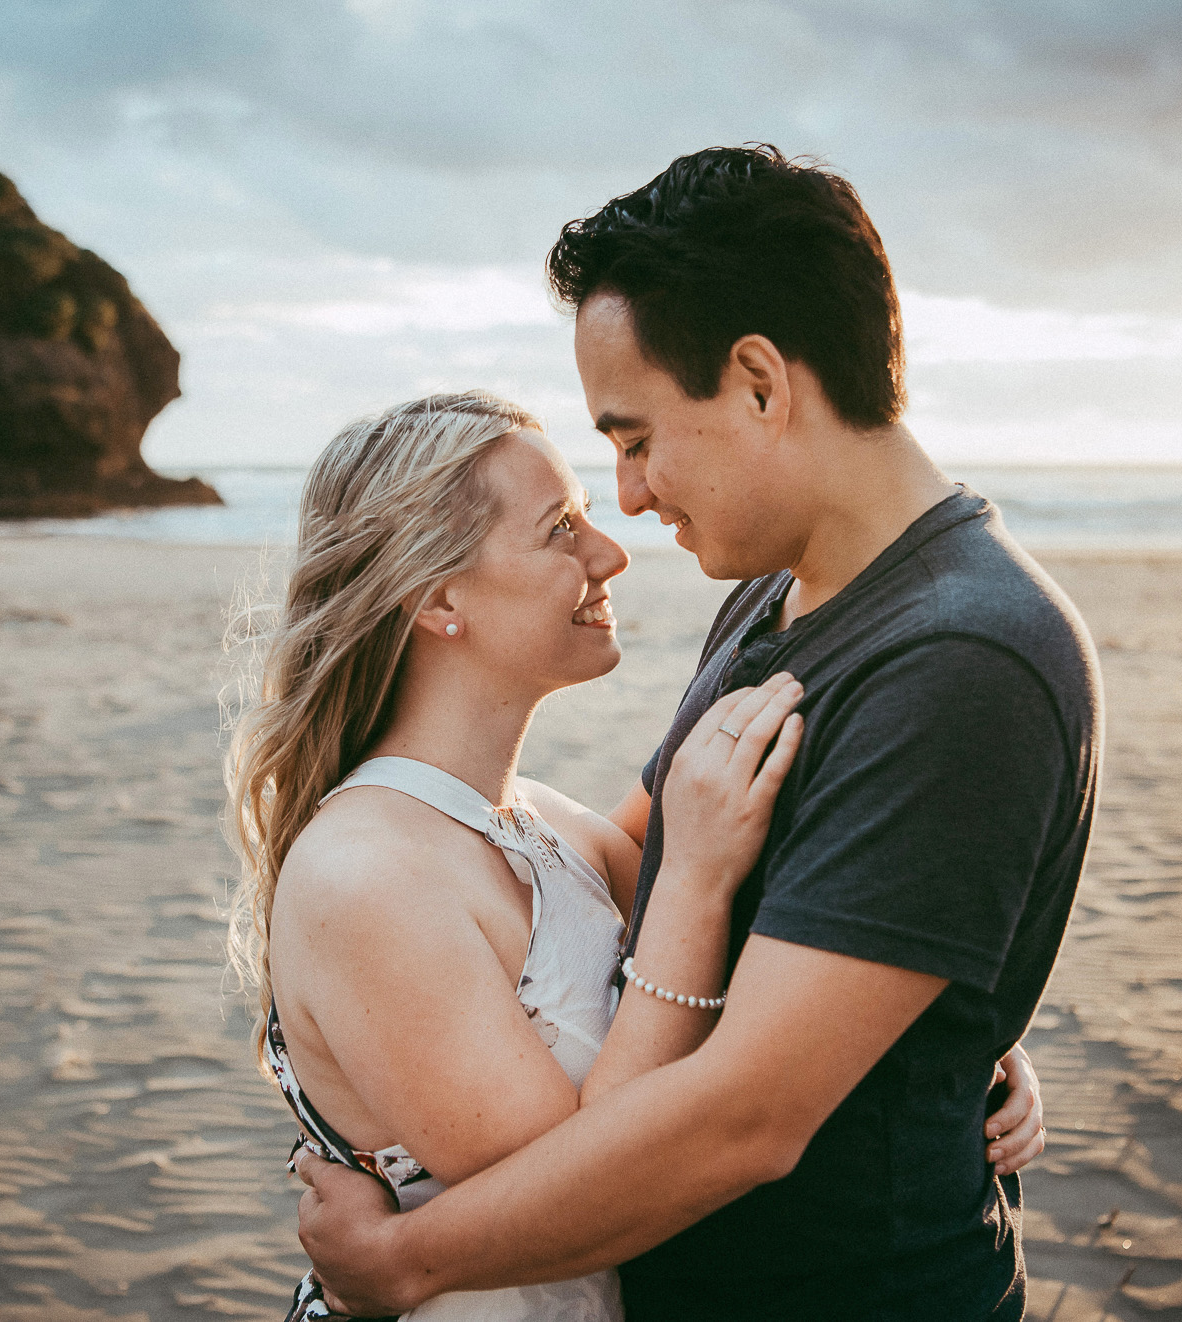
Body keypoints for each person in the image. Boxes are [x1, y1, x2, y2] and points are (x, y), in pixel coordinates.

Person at [291, 147, 1102, 1320]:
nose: (627, 499)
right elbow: (664, 859)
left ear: (762, 383)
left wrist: (405, 1260)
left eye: (635, 438)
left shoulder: (962, 657)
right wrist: (938, 1012)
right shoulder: (774, 601)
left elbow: (750, 1116)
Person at [229, 391, 1048, 1321]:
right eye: (559, 530)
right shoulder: (364, 874)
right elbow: (589, 1188)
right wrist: (694, 881)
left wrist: (950, 1030)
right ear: (438, 598)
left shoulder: (548, 825)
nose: (610, 552)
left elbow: (796, 922)